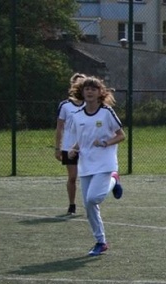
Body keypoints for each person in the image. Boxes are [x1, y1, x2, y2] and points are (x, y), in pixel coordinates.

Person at [67, 76, 125, 257]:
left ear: (100, 92)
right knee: (89, 205)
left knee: (93, 198)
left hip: (105, 163)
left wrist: (106, 143)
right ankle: (101, 241)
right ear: (82, 92)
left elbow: (121, 135)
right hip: (86, 165)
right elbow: (82, 138)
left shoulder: (106, 112)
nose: (90, 91)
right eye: (87, 89)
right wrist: (74, 149)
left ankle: (114, 179)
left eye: (93, 88)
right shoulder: (77, 115)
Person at [55, 73, 86, 215]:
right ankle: (72, 204)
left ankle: (90, 203)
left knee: (88, 176)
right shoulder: (65, 105)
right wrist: (58, 148)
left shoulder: (91, 104)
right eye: (78, 84)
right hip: (69, 147)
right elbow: (59, 127)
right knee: (72, 177)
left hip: (86, 147)